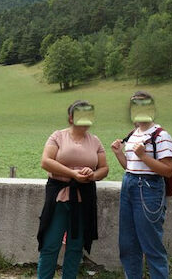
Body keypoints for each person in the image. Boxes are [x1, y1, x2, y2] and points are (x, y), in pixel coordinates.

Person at [37, 100, 109, 279]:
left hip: (83, 197)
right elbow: (46, 162)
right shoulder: (58, 136)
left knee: (76, 245)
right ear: (71, 118)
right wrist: (72, 173)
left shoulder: (95, 141)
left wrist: (91, 175)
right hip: (59, 195)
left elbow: (104, 169)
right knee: (51, 243)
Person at [110, 91, 172, 279]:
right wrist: (118, 153)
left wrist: (144, 156)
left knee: (152, 245)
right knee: (128, 244)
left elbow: (167, 170)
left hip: (149, 189)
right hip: (129, 185)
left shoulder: (161, 135)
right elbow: (131, 167)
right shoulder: (133, 134)